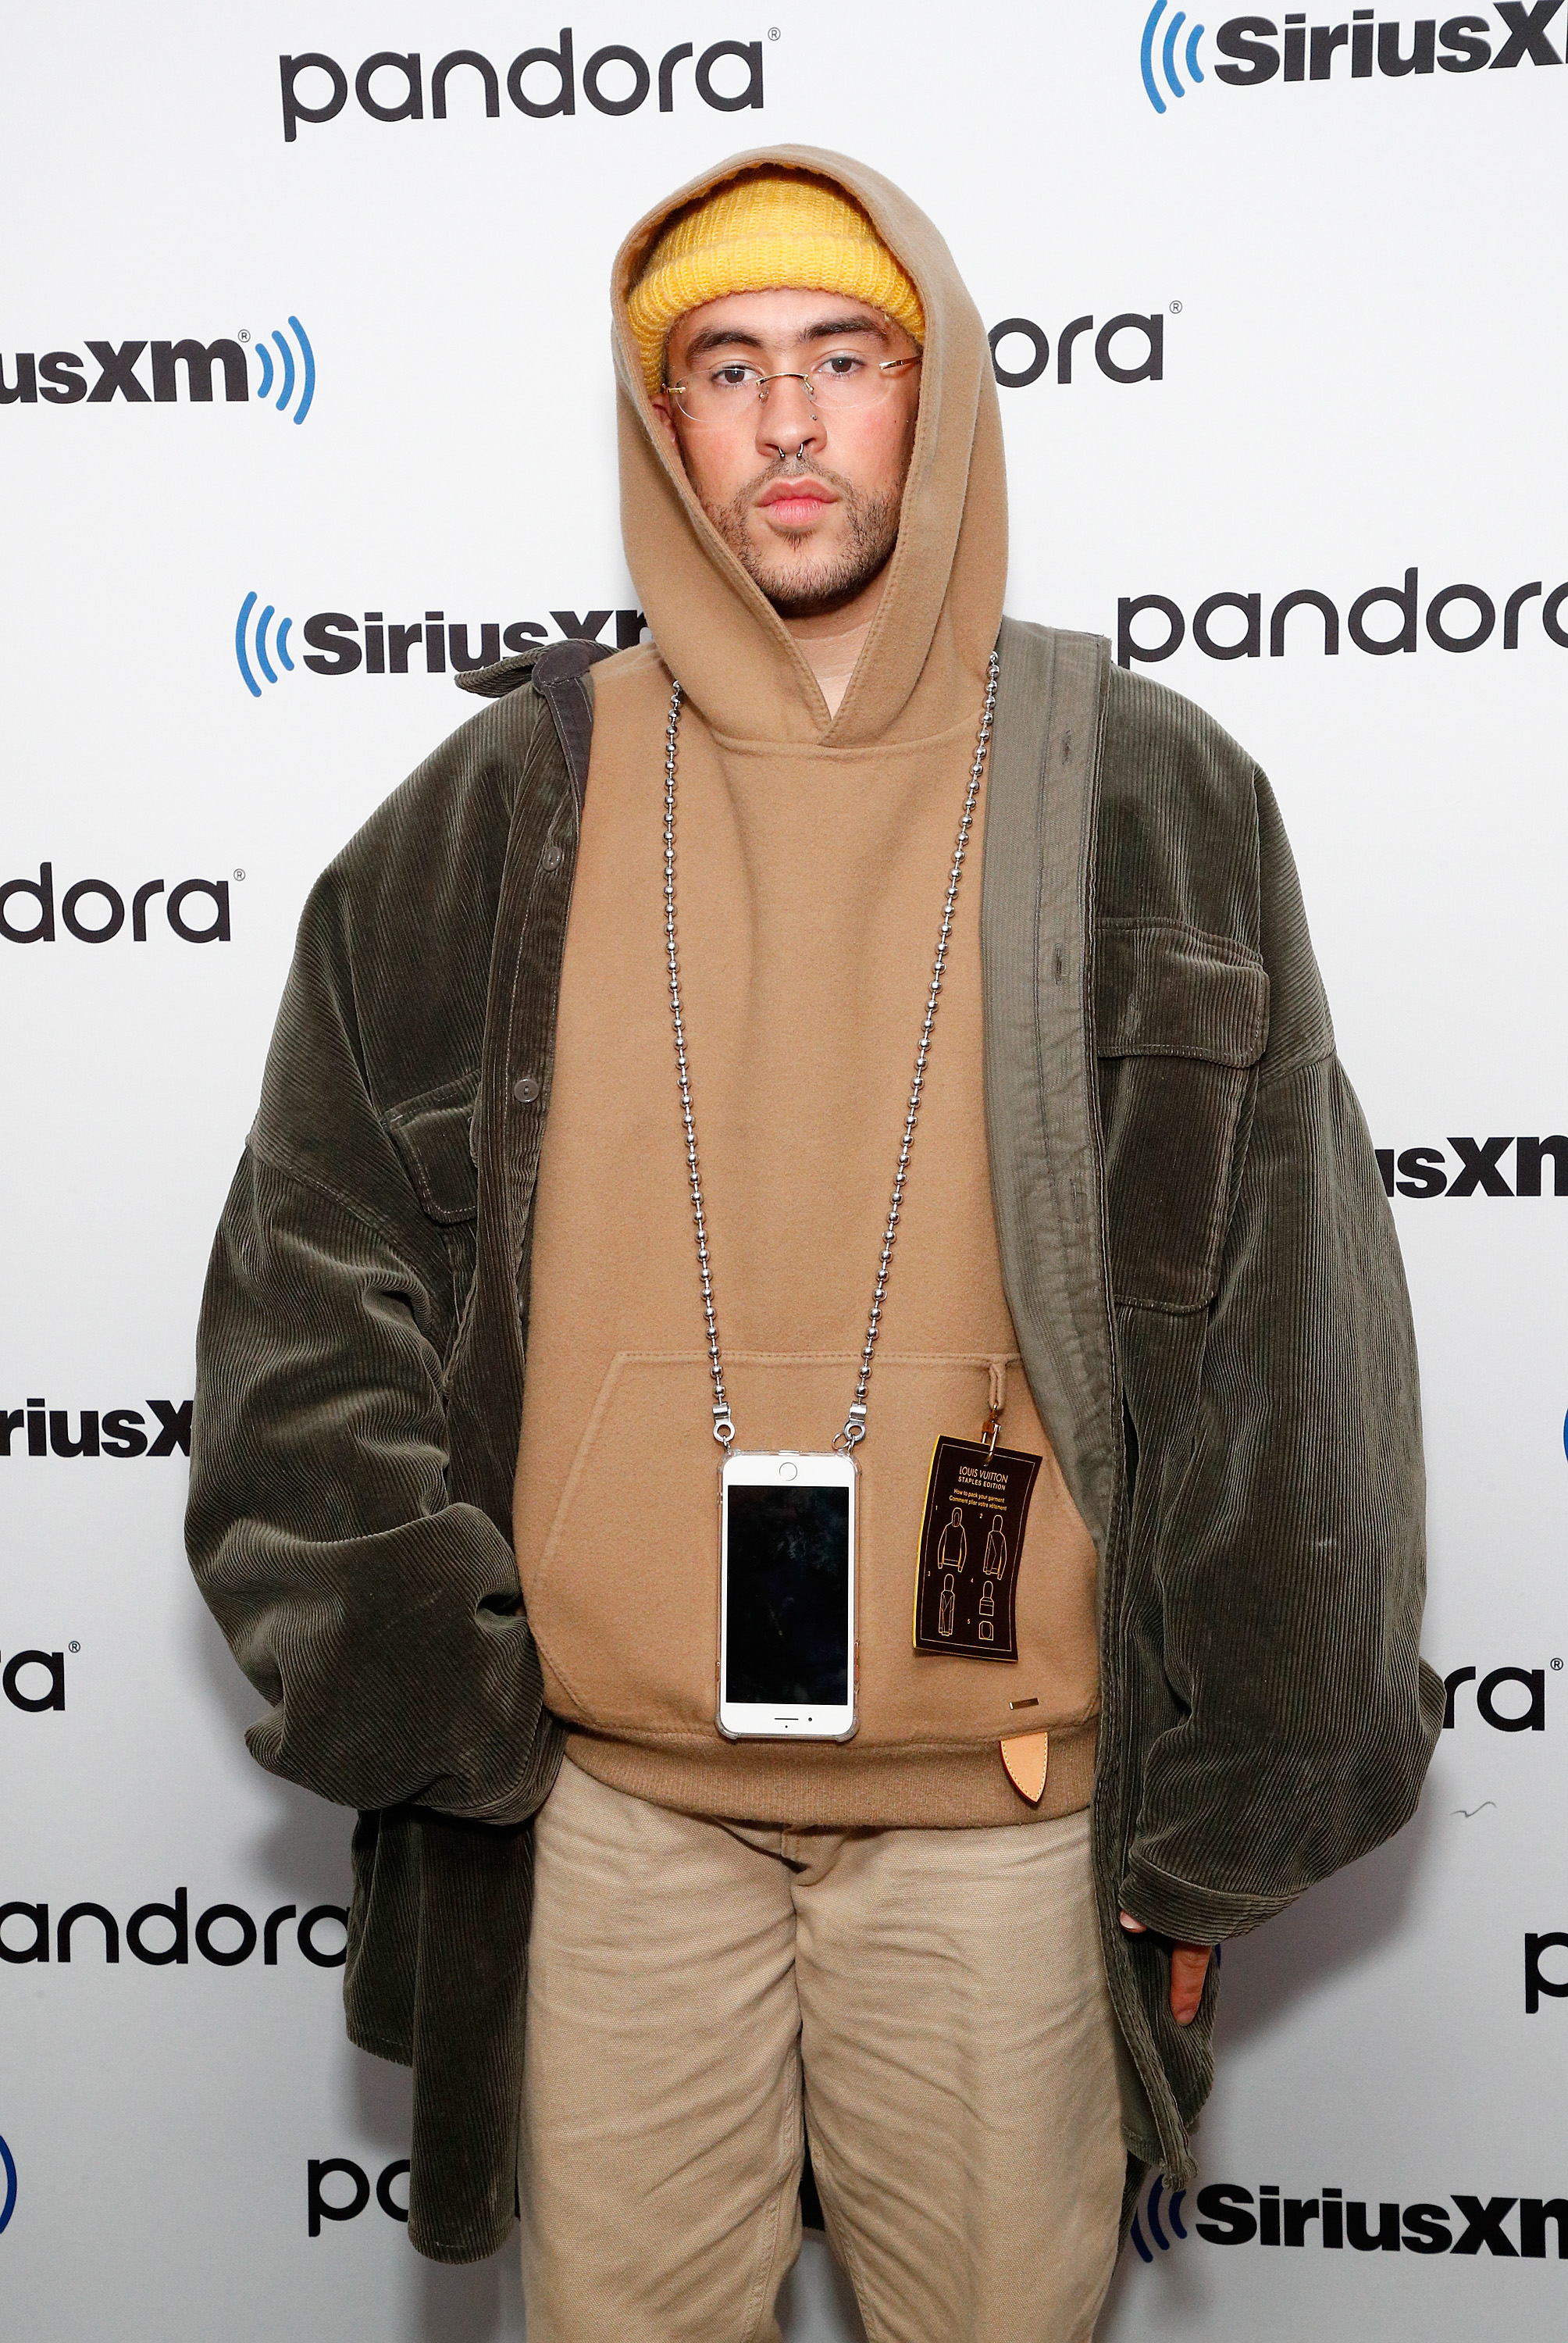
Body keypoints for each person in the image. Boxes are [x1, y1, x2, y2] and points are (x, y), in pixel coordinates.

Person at [187, 147, 1441, 2340]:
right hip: (612, 1824)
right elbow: (312, 1286)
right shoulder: (505, 802)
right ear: (657, 425)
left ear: (933, 392)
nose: (787, 422)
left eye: (845, 359)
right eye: (727, 368)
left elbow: (1286, 1346)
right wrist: (444, 1695)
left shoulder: (1147, 790)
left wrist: (1225, 1812)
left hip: (1007, 1830)